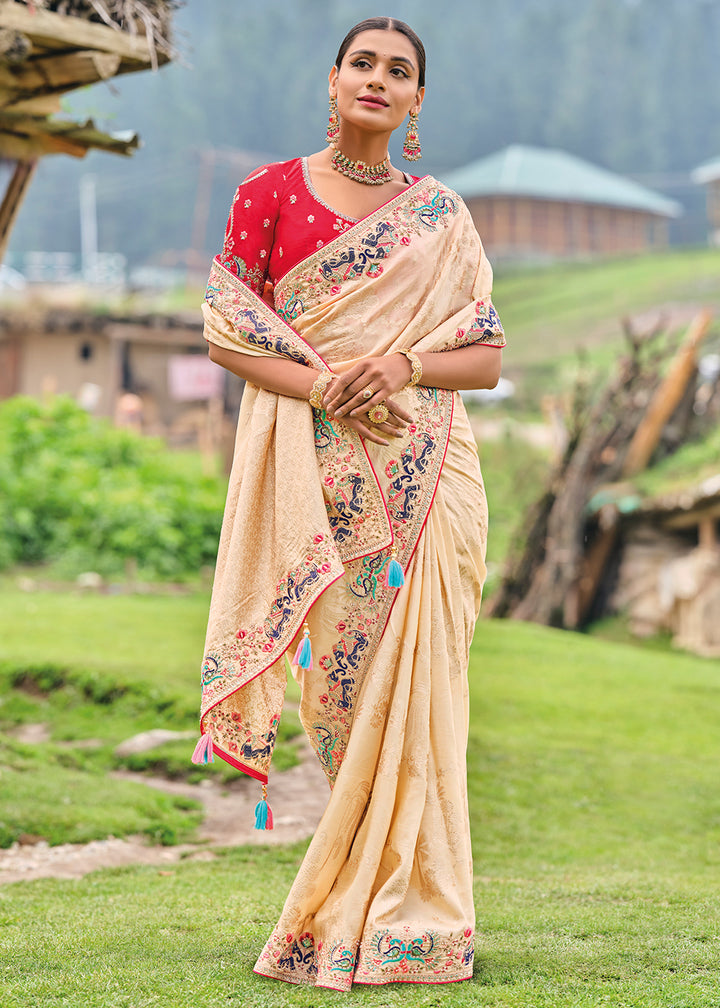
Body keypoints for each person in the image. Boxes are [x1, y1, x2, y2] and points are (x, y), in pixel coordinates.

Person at [192, 16, 505, 990]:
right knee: (341, 694)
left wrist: (407, 360)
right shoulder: (269, 195)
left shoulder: (440, 216)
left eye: (398, 71)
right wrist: (323, 384)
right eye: (362, 63)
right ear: (333, 81)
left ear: (417, 102)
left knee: (425, 690)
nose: (377, 78)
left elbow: (486, 354)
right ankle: (350, 902)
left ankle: (420, 922)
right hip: (312, 475)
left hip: (427, 472)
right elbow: (227, 330)